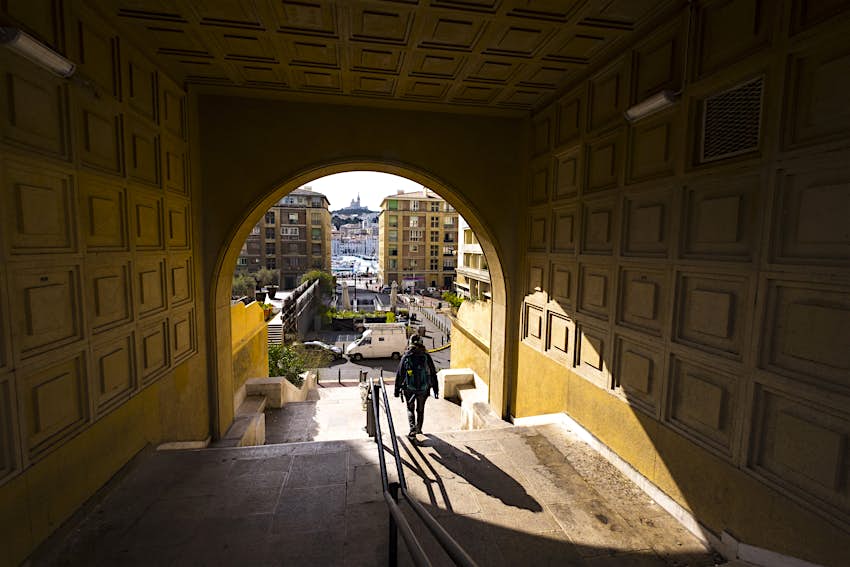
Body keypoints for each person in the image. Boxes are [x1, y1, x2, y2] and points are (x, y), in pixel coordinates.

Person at [394, 334, 438, 439]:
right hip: (423, 389)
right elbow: (433, 373)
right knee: (420, 409)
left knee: (410, 409)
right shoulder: (426, 356)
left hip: (409, 388)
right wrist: (436, 389)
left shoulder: (406, 356)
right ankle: (419, 429)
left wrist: (397, 390)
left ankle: (412, 429)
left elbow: (400, 374)